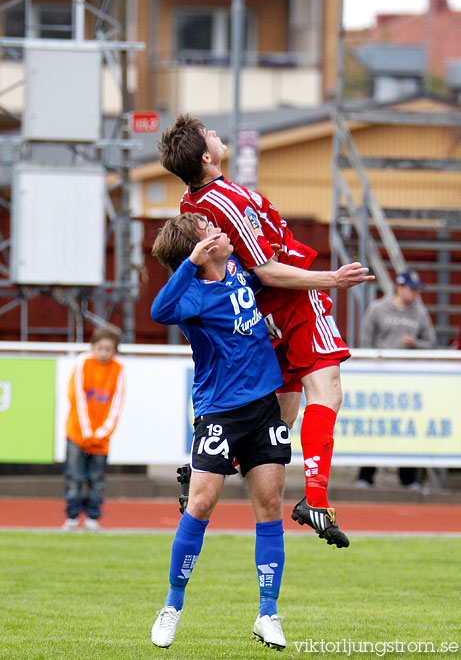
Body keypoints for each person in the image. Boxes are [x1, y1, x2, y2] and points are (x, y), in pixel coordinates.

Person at [158, 114, 374, 548]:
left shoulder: (191, 201)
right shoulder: (226, 199)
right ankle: (315, 499)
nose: (218, 134)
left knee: (281, 415)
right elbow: (266, 270)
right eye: (210, 135)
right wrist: (332, 279)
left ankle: (209, 466)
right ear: (205, 156)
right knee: (327, 389)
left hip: (257, 310)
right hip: (289, 297)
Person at [150, 213, 291, 649]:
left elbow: (277, 272)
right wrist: (190, 262)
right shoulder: (192, 295)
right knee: (202, 503)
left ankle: (268, 613)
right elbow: (160, 311)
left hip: (265, 407)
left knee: (270, 505)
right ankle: (172, 605)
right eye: (211, 231)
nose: (222, 232)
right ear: (202, 248)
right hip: (219, 413)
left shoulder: (241, 271)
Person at [357, 269, 436, 489]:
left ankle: (409, 477)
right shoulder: (377, 308)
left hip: (407, 379)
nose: (415, 294)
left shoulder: (419, 313)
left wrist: (415, 344)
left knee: (408, 426)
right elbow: (365, 342)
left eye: (417, 290)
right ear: (399, 287)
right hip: (380, 377)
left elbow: (431, 342)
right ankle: (366, 474)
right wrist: (372, 365)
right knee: (374, 425)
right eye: (411, 289)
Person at [62, 325, 126, 531]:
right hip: (77, 434)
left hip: (101, 439)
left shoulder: (119, 368)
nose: (104, 353)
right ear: (93, 346)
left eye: (109, 349)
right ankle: (71, 518)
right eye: (101, 348)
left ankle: (92, 518)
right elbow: (77, 397)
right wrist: (87, 430)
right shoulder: (82, 363)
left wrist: (102, 432)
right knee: (74, 476)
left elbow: (117, 402)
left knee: (97, 479)